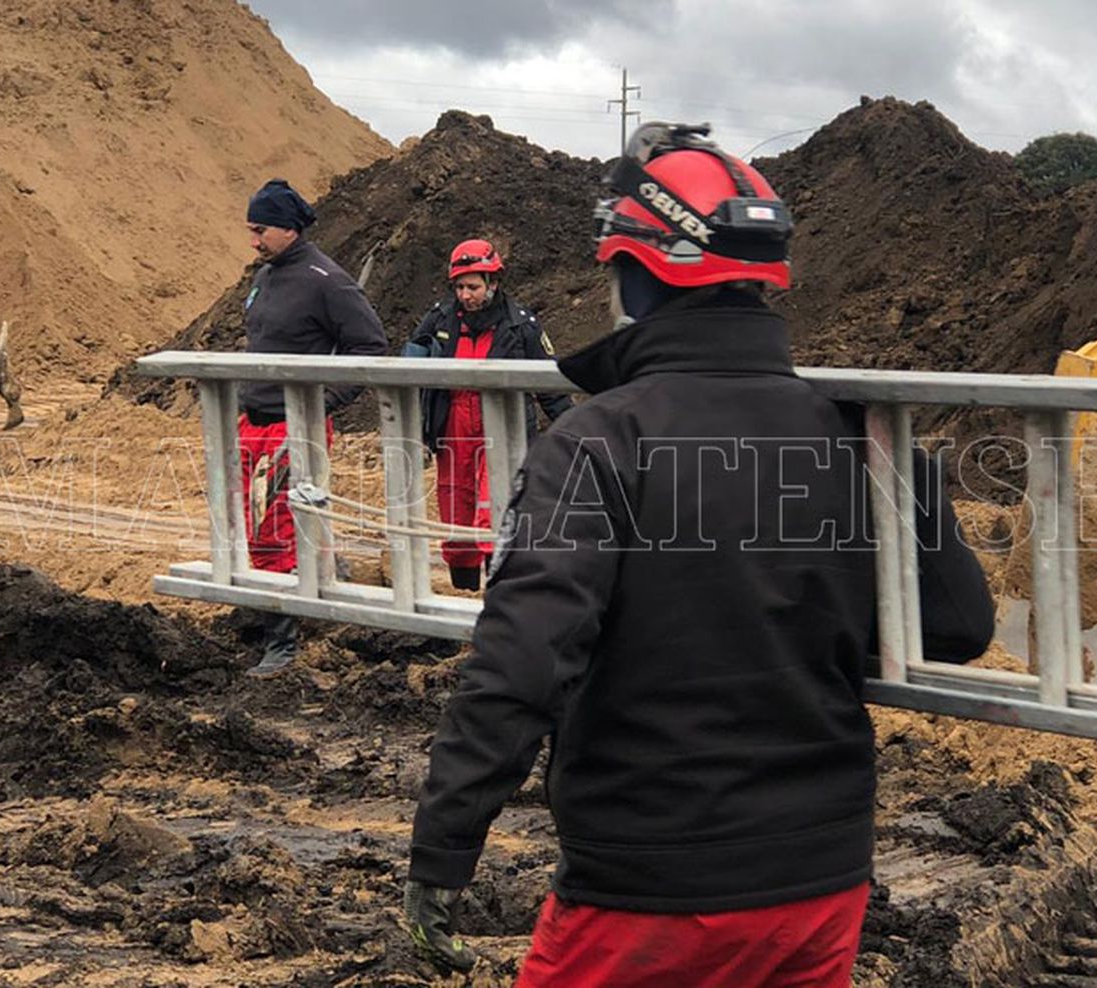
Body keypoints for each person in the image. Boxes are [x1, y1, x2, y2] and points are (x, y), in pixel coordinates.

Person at [402, 123, 995, 985]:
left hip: (648, 882)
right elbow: (959, 626)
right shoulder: (856, 435)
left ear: (640, 271)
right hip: (820, 882)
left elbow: (523, 658)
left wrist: (444, 846)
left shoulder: (596, 440)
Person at [239, 178, 389, 678]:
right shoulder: (267, 276)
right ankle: (313, 586)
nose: (253, 240)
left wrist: (322, 402)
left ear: (288, 227)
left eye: (260, 230)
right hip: (253, 419)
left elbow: (369, 347)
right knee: (256, 522)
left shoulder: (327, 279)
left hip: (293, 425)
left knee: (278, 528)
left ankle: (283, 641)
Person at [404, 240, 572, 592]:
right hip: (452, 428)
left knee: (494, 510)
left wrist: (572, 431)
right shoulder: (439, 319)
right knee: (456, 511)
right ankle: (464, 590)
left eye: (473, 287)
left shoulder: (520, 325)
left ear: (493, 284)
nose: (466, 295)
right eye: (460, 287)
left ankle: (499, 594)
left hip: (503, 433)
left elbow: (548, 384)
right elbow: (407, 368)